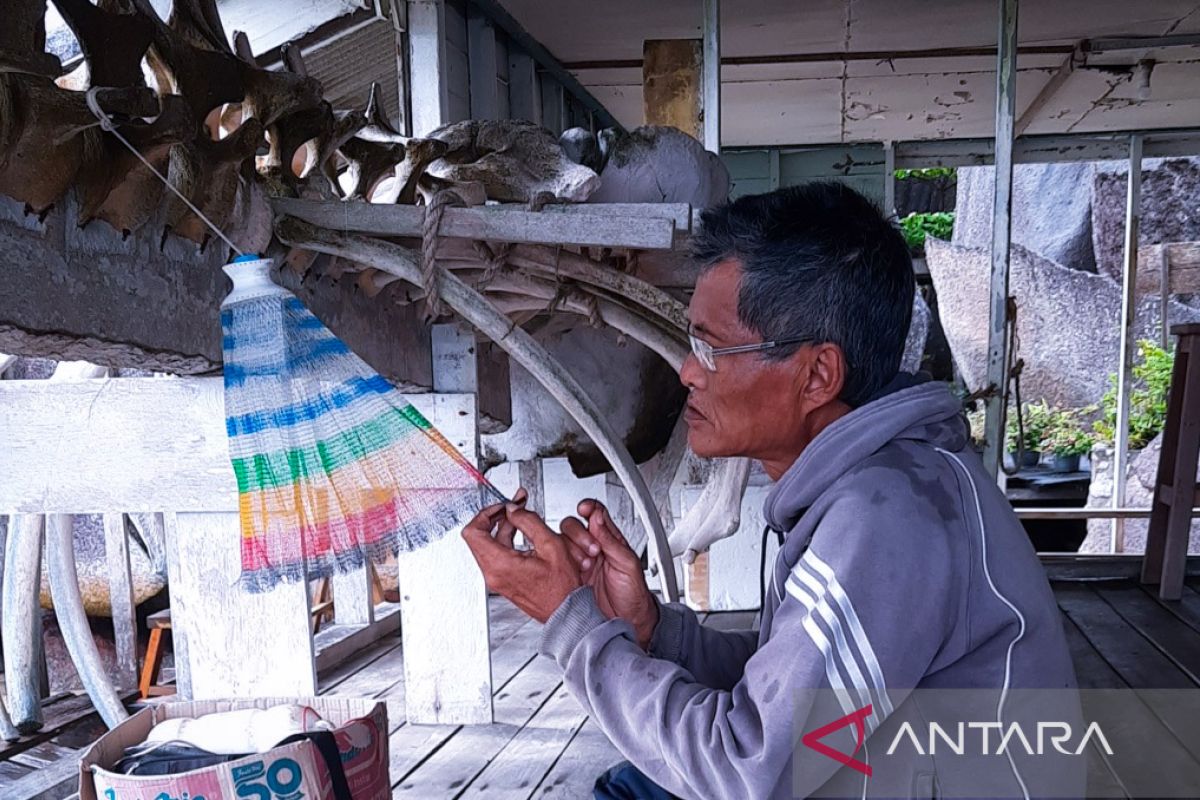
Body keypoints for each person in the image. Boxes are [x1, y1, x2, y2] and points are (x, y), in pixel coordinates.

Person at [461, 182, 1080, 799]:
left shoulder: (886, 518)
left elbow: (748, 771)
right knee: (635, 783)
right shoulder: (883, 482)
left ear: (816, 375)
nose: (686, 371)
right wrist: (650, 629)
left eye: (711, 347)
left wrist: (573, 623)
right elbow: (784, 690)